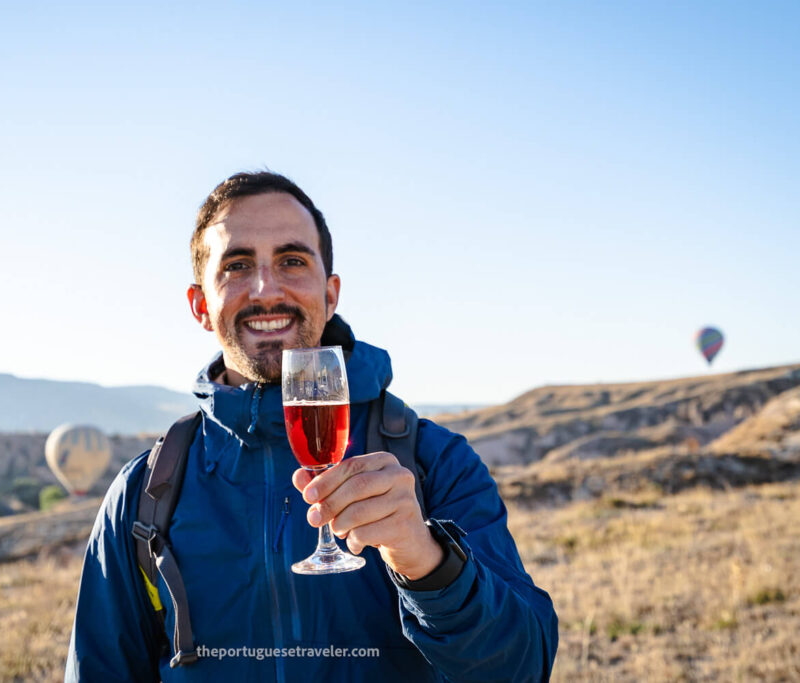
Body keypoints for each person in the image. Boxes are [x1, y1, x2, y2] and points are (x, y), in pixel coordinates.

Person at [66, 171, 559, 681]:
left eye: (292, 260)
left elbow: (523, 667)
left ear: (331, 294)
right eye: (237, 266)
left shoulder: (434, 462)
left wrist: (430, 565)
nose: (266, 289)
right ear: (200, 307)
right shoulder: (143, 494)